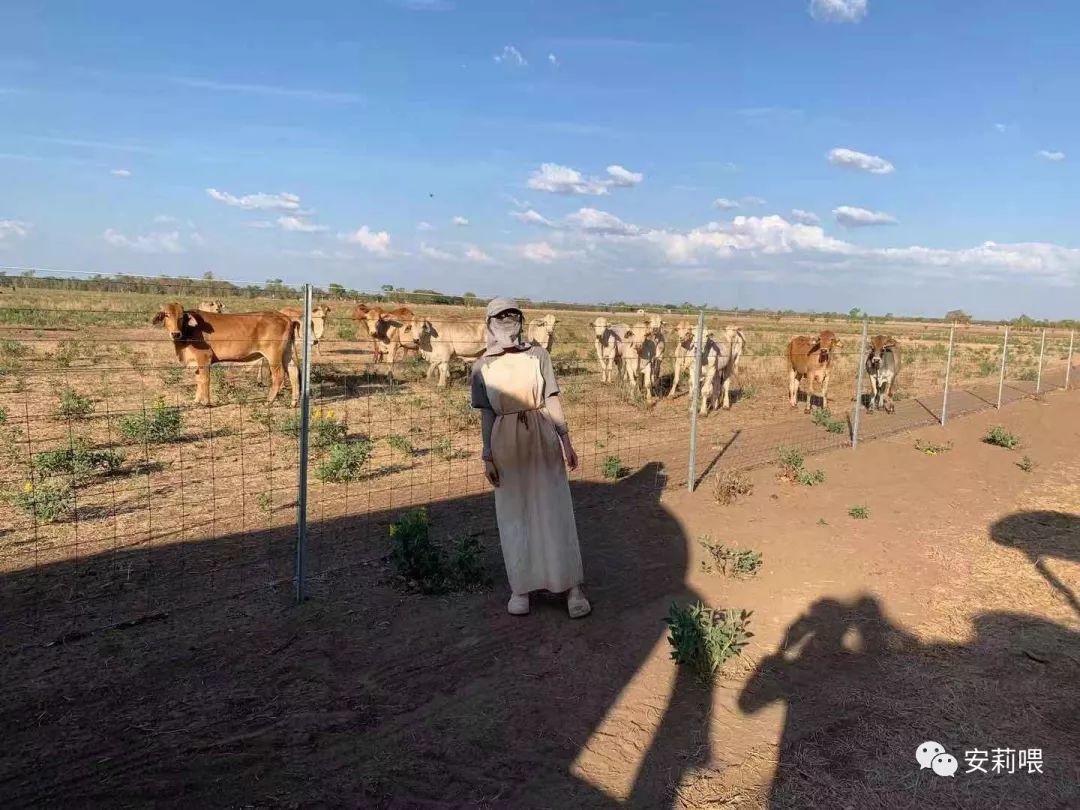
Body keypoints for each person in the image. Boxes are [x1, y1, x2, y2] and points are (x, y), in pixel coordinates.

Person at [470, 298, 591, 618]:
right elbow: (486, 415)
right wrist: (487, 455)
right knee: (514, 514)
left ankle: (572, 587)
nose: (507, 322)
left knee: (555, 508)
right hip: (505, 444)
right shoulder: (482, 366)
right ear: (489, 323)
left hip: (542, 435)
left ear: (521, 320)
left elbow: (551, 399)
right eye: (500, 317)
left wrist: (566, 440)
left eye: (512, 316)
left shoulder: (539, 355)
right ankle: (521, 587)